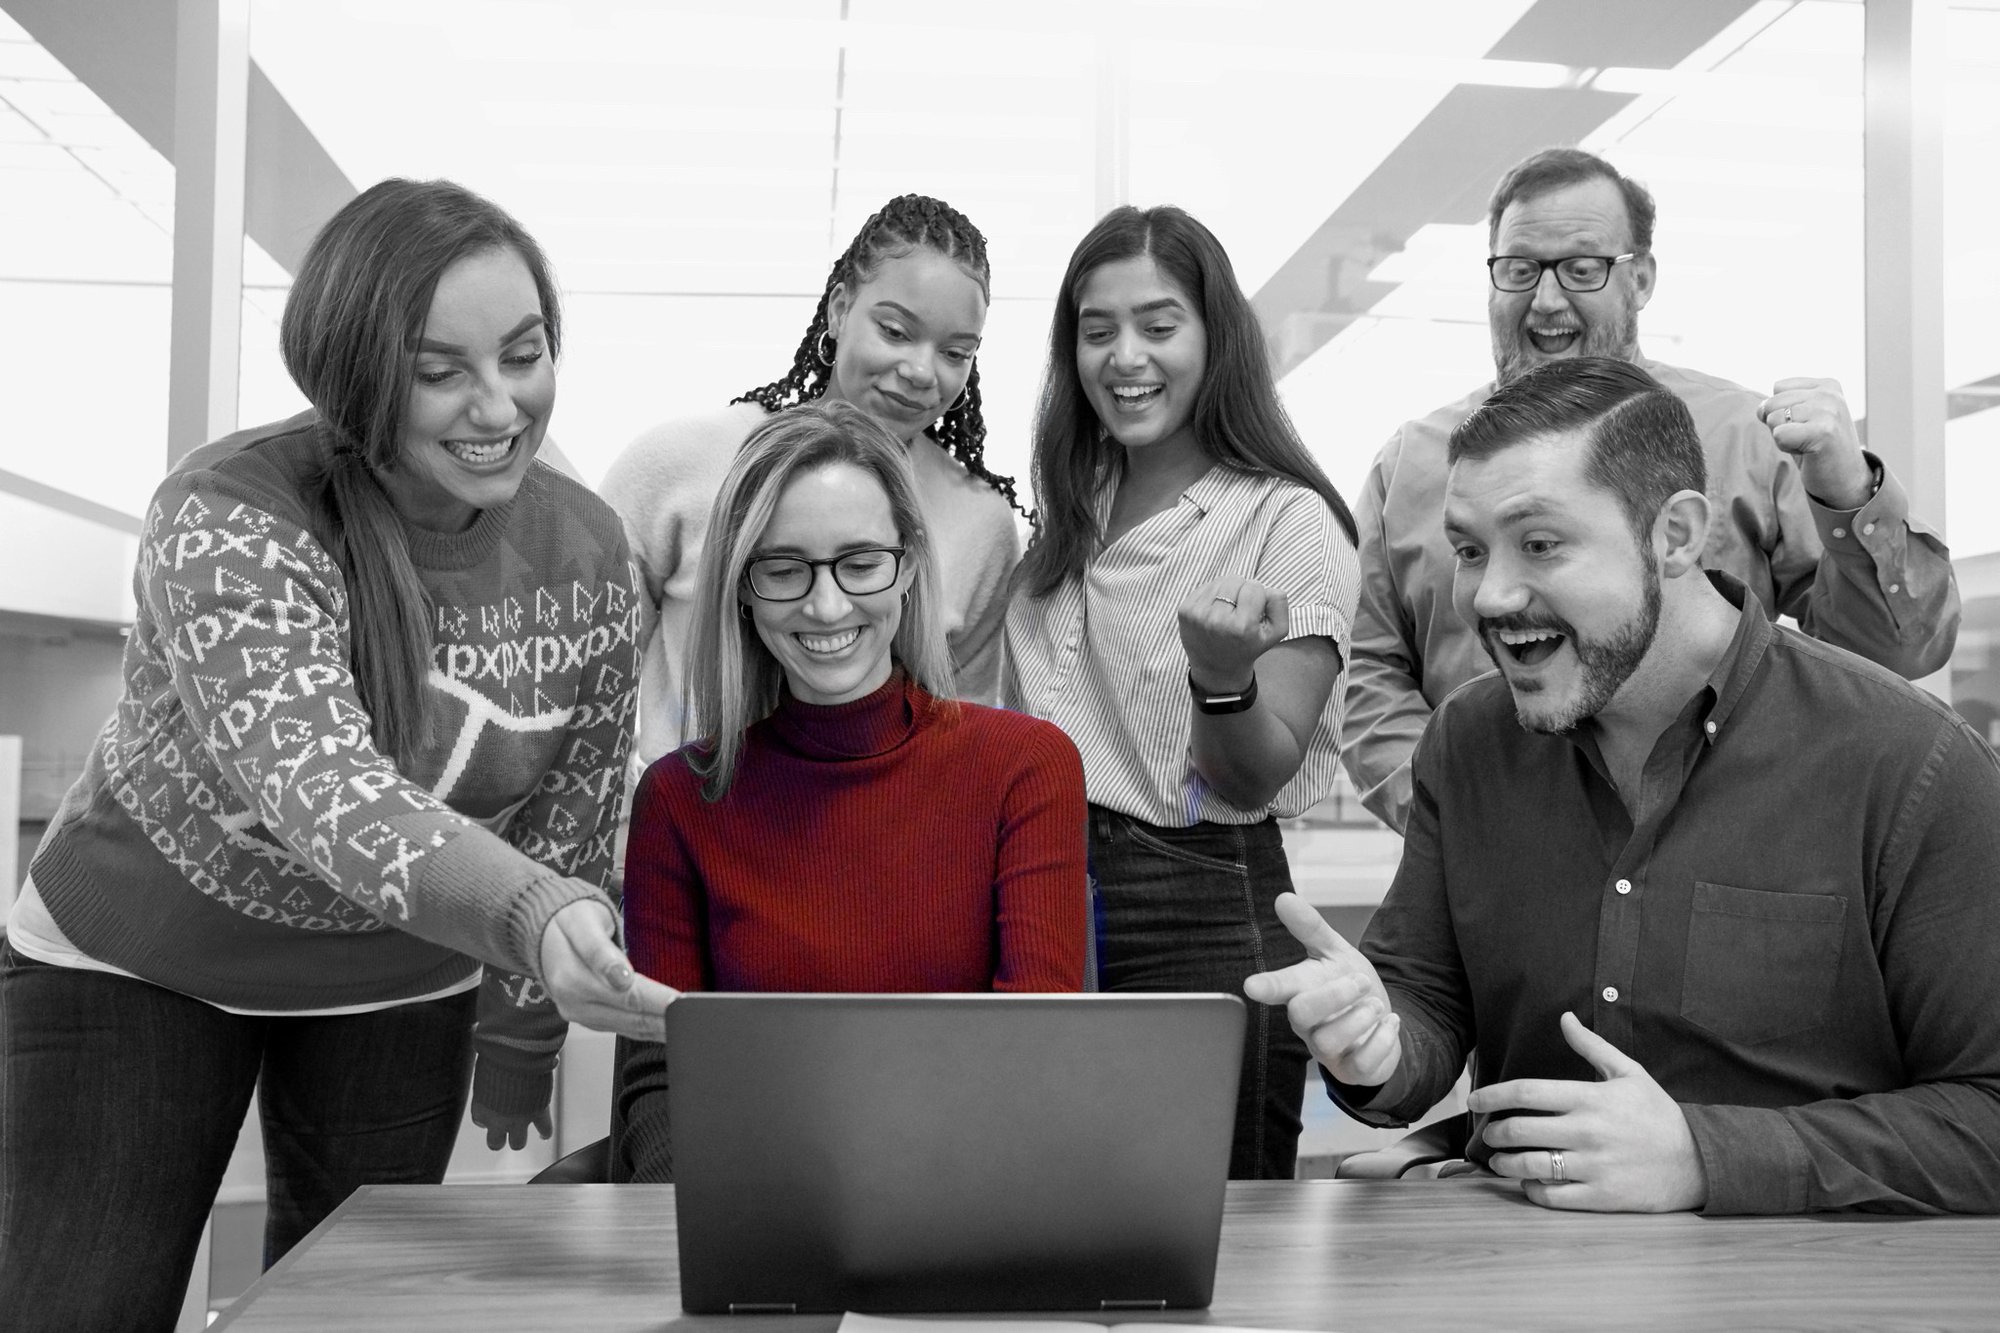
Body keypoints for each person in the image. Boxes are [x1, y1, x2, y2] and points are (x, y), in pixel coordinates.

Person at [0, 178, 674, 1329]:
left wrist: (522, 1033)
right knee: (80, 1302)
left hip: (398, 980)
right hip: (137, 964)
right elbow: (323, 786)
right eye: (439, 369)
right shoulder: (230, 512)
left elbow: (572, 801)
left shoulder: (586, 543)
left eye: (524, 353)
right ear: (355, 368)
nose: (499, 404)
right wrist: (529, 920)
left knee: (351, 1313)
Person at [1247, 358, 2000, 1215]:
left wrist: (1709, 1158)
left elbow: (1990, 1113)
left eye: (1540, 544)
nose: (1488, 596)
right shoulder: (1469, 743)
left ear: (1675, 537)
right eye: (1468, 549)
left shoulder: (1910, 763)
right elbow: (1423, 1006)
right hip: (1525, 1277)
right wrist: (1376, 1048)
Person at [1343, 146, 1959, 833]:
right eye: (1519, 270)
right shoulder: (1412, 464)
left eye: (1583, 269)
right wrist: (1451, 813)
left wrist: (1850, 496)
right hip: (1489, 867)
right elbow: (1365, 672)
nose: (1546, 300)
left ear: (1640, 280)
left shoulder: (1745, 440)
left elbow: (1886, 661)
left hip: (1722, 847)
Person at [612, 401, 1087, 1182]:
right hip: (753, 1205)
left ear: (907, 566)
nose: (826, 605)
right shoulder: (678, 800)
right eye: (784, 568)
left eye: (860, 562)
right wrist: (697, 1227)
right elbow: (659, 1083)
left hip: (964, 1197)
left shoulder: (1025, 768)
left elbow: (1030, 1049)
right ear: (741, 588)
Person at [1005, 205, 1360, 1180]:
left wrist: (1218, 677)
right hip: (1051, 886)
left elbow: (1250, 777)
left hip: (1200, 893)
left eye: (1158, 325)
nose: (1125, 356)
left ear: (1215, 339)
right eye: (1095, 329)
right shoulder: (1070, 506)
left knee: (1208, 1231)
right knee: (1058, 1205)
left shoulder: (1286, 522)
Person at [600, 194, 1025, 791]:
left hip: (866, 854)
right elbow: (588, 686)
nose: (923, 371)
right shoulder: (677, 466)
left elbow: (959, 739)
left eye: (956, 352)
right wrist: (625, 835)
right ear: (839, 309)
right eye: (896, 331)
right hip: (686, 830)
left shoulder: (980, 523)